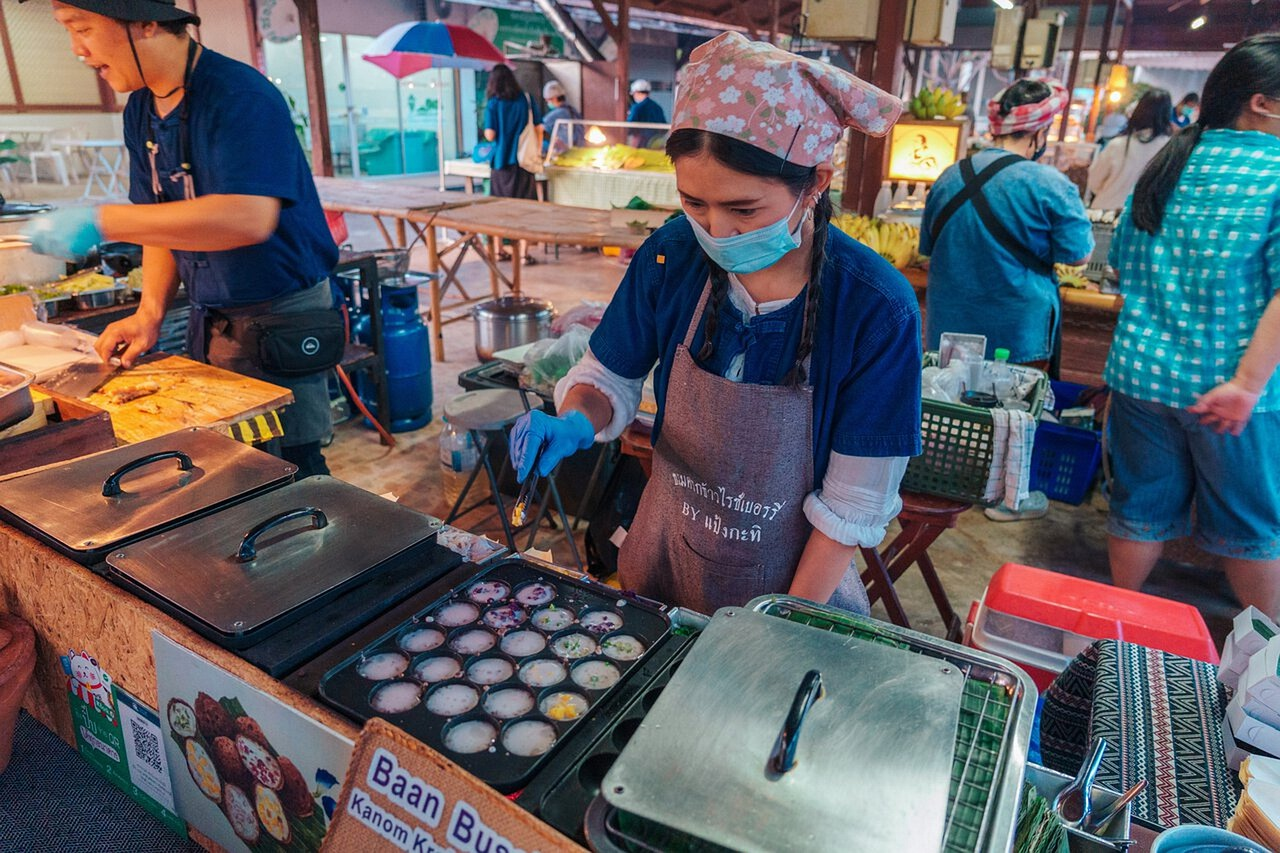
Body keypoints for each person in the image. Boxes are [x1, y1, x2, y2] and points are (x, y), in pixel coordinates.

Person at [508, 32, 921, 617]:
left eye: (743, 209)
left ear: (815, 183)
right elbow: (607, 376)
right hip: (664, 563)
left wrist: (774, 628)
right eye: (694, 203)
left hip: (796, 594)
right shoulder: (671, 255)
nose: (716, 231)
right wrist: (576, 420)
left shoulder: (876, 308)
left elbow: (853, 503)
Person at [21, 0, 339, 477]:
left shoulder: (238, 94)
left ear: (145, 21)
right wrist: (149, 314)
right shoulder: (141, 109)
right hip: (211, 316)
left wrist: (102, 221)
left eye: (81, 28)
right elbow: (159, 221)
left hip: (280, 317)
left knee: (293, 466)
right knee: (234, 466)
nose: (76, 49)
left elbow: (248, 217)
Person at [1104, 34, 1280, 614]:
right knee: (1251, 528)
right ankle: (1269, 656)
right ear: (1262, 102)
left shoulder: (1170, 161)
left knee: (1139, 512)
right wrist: (1247, 385)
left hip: (1140, 377)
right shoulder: (1276, 170)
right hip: (1230, 392)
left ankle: (1114, 632)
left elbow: (1121, 264)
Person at [920, 78, 1094, 522]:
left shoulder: (948, 176)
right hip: (1018, 325)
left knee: (952, 408)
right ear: (1040, 132)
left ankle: (947, 480)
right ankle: (1007, 499)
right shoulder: (1048, 183)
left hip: (951, 323)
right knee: (1015, 414)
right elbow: (1078, 254)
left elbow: (927, 248)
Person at [1087, 89, 1174, 211]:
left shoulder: (1117, 144)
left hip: (1104, 210)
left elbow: (1094, 181)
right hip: (1143, 217)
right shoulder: (1170, 149)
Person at [483, 64, 540, 201]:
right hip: (525, 161)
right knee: (527, 207)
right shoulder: (527, 99)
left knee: (502, 206)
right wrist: (537, 151)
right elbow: (539, 128)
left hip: (502, 161)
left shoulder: (493, 103)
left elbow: (490, 135)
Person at [540, 79, 582, 158]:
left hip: (564, 153)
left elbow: (540, 129)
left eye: (548, 100)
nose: (548, 103)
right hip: (579, 151)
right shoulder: (573, 111)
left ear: (554, 98)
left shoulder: (557, 114)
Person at [625, 79, 666, 148]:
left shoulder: (636, 108)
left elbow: (630, 126)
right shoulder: (657, 107)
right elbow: (664, 127)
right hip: (655, 143)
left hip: (640, 143)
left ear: (637, 92)